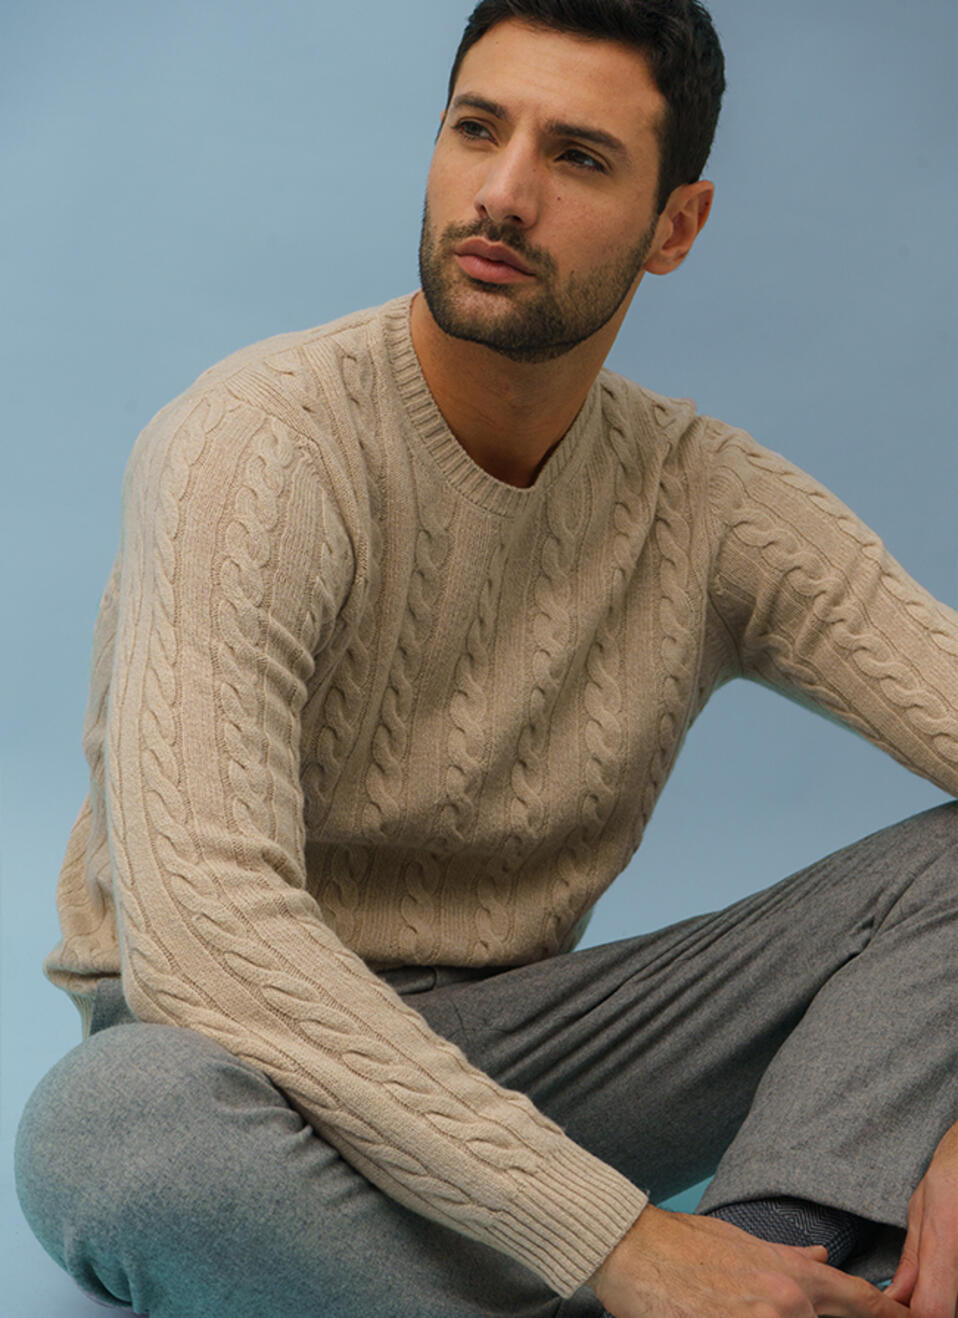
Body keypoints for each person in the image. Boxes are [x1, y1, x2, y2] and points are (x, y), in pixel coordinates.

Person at [14, 1, 958, 1316]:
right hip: (243, 1078)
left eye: (578, 157)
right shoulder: (255, 446)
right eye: (476, 129)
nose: (503, 195)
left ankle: (764, 1252)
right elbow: (211, 949)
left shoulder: (709, 502)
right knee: (118, 1131)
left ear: (674, 227)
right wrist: (626, 1244)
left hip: (526, 1061)